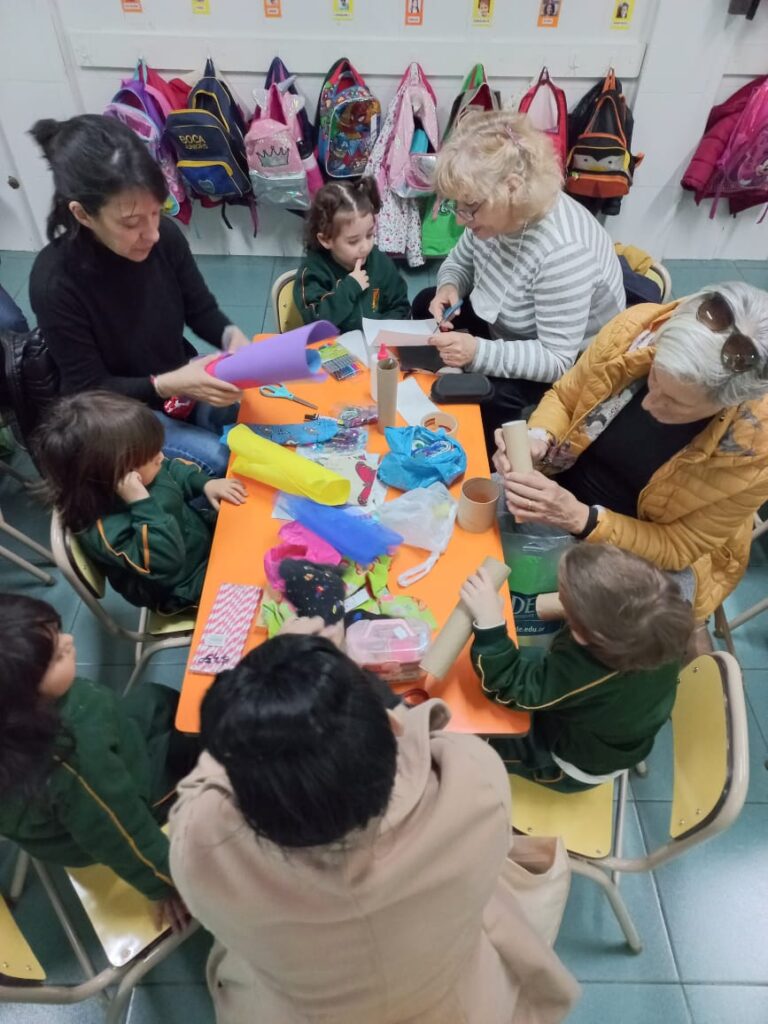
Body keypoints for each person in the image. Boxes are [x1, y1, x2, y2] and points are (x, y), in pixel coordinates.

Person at [169, 620, 579, 1024]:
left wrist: (265, 709)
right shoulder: (474, 782)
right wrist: (321, 684)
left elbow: (199, 789)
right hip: (459, 1001)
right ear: (392, 727)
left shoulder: (202, 853)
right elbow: (424, 736)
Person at [493, 283, 768, 632]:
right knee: (469, 514)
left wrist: (581, 519)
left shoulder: (754, 451)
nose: (651, 403)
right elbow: (565, 397)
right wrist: (538, 437)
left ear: (728, 404)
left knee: (638, 627)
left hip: (643, 549)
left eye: (675, 402)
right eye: (654, 377)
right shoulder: (636, 331)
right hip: (560, 491)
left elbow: (679, 547)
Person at [28, 114, 252, 477]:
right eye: (131, 223)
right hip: (116, 414)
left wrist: (231, 337)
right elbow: (90, 388)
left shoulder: (165, 238)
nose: (152, 234)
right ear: (83, 214)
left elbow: (200, 309)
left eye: (156, 212)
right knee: (219, 461)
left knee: (250, 417)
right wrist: (165, 385)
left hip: (173, 383)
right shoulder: (55, 282)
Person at [412, 111, 625, 453]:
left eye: (470, 207)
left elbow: (556, 360)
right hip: (511, 325)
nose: (463, 220)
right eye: (457, 206)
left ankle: (480, 454)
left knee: (487, 397)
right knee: (427, 302)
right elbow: (462, 260)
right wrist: (449, 286)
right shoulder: (498, 211)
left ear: (512, 188)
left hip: (562, 361)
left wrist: (477, 353)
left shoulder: (564, 251)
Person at [0, 593, 192, 931]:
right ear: (24, 700)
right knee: (202, 747)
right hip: (124, 805)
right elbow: (122, 835)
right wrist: (164, 882)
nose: (70, 641)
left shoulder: (24, 718)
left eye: (59, 632)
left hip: (114, 741)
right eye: (56, 656)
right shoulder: (73, 760)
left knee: (156, 699)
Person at [462, 544, 693, 791]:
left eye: (565, 601)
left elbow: (511, 687)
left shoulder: (588, 671)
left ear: (584, 636)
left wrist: (491, 626)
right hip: (609, 726)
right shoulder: (660, 629)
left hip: (569, 761)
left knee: (467, 744)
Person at [35, 391, 246, 612]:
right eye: (151, 457)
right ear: (116, 475)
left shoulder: (143, 471)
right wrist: (142, 502)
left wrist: (205, 484)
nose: (161, 457)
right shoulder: (103, 529)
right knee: (253, 583)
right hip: (184, 585)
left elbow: (172, 469)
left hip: (200, 538)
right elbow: (166, 563)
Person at [294, 178, 410, 333]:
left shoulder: (380, 262)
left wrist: (380, 330)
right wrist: (350, 287)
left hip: (376, 343)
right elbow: (315, 320)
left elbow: (401, 307)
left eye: (369, 235)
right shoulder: (313, 272)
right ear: (326, 239)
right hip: (334, 345)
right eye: (353, 241)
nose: (365, 247)